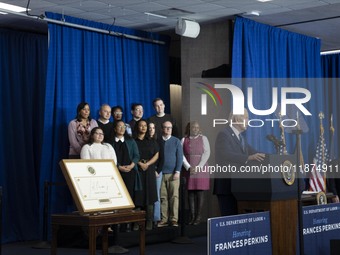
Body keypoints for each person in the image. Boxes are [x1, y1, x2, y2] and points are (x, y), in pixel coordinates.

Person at [213, 109, 265, 216]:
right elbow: (226, 154)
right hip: (226, 186)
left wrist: (273, 157)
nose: (248, 121)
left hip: (238, 186)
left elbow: (255, 153)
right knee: (229, 219)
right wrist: (249, 158)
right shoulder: (224, 134)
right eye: (246, 118)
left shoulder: (241, 138)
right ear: (237, 119)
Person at [181, 121, 210, 225]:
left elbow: (207, 153)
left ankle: (198, 216)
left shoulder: (204, 138)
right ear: (189, 128)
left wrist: (199, 167)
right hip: (188, 168)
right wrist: (188, 167)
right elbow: (181, 155)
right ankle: (192, 216)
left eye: (197, 127)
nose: (195, 129)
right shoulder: (184, 139)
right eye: (193, 127)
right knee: (190, 192)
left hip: (201, 168)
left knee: (199, 192)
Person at [133, 119, 159, 230]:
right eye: (141, 125)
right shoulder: (133, 141)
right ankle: (137, 223)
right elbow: (132, 154)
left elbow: (157, 154)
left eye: (145, 126)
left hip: (149, 170)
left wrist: (147, 164)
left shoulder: (152, 140)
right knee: (138, 195)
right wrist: (139, 163)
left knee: (150, 195)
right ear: (137, 127)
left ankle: (149, 222)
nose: (143, 127)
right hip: (137, 170)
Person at [157, 121, 183, 227]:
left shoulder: (176, 141)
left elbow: (180, 157)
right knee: (163, 197)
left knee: (174, 197)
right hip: (160, 174)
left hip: (173, 174)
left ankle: (174, 219)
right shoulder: (157, 141)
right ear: (162, 128)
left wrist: (177, 171)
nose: (168, 129)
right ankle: (164, 219)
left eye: (170, 128)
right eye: (166, 127)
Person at [149, 121, 162, 226]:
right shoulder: (143, 140)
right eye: (149, 128)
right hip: (146, 170)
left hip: (157, 171)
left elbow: (162, 158)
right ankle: (148, 218)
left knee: (156, 195)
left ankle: (156, 218)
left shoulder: (159, 141)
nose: (151, 130)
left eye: (153, 128)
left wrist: (157, 171)